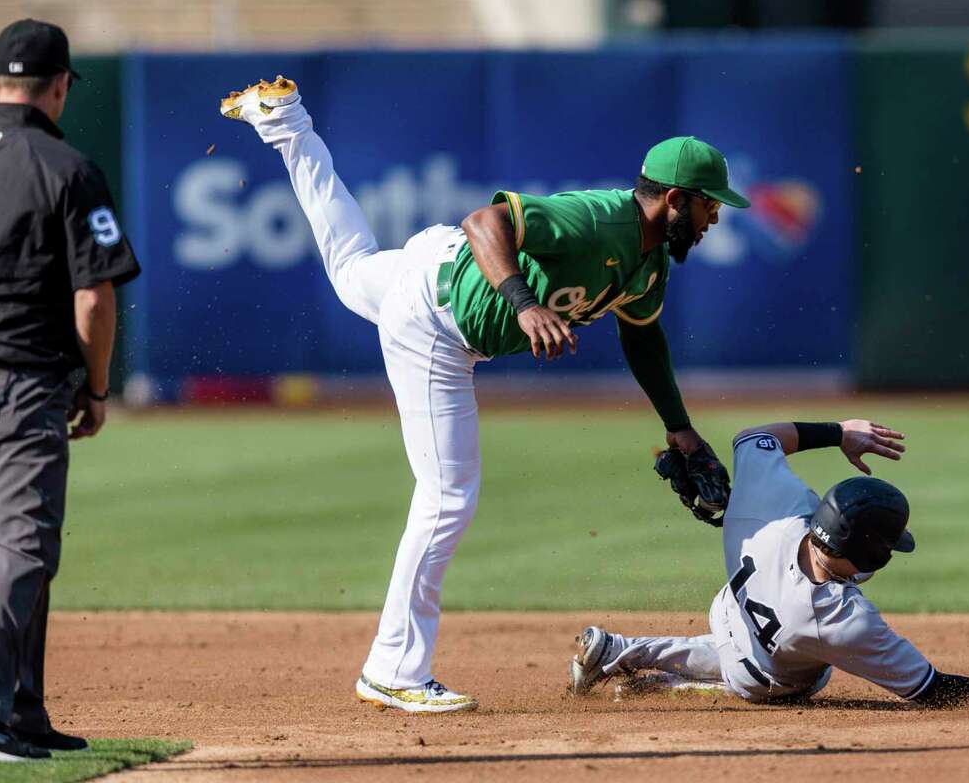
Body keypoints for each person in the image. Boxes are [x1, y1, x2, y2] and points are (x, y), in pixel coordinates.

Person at [221, 76, 745, 713]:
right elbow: (485, 220)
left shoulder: (650, 263)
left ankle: (286, 123)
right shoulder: (599, 221)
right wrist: (523, 305)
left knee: (350, 266)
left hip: (433, 266)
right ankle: (392, 668)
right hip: (435, 322)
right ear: (673, 199)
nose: (714, 218)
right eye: (708, 206)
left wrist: (679, 427)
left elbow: (643, 339)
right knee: (446, 497)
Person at [0, 19, 141, 761]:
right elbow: (94, 298)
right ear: (60, 88)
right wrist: (96, 387)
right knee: (23, 548)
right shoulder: (67, 167)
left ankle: (19, 710)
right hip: (18, 379)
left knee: (3, 550)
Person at [569, 419, 969, 705]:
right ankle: (670, 684)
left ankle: (619, 650)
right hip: (764, 674)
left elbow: (753, 439)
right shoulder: (841, 621)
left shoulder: (776, 509)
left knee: (743, 639)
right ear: (867, 553)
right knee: (783, 678)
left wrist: (839, 431)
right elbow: (933, 690)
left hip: (731, 607)